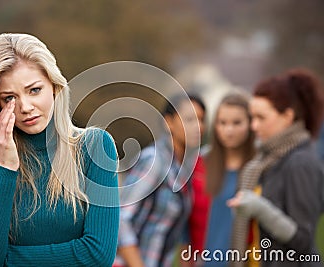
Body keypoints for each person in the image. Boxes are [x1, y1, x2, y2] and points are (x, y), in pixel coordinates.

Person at [0, 33, 119, 266]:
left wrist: (6, 262)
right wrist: (6, 167)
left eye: (34, 90)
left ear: (53, 85)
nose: (25, 107)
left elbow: (97, 255)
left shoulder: (94, 147)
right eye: (9, 98)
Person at [228, 68, 324, 267]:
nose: (253, 126)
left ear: (287, 117)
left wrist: (260, 209)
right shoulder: (264, 161)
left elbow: (303, 241)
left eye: (261, 118)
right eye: (252, 117)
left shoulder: (301, 162)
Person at [115, 93, 206, 267]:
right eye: (189, 120)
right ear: (168, 122)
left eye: (201, 120)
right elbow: (121, 218)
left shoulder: (184, 168)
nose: (198, 127)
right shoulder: (154, 161)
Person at [201, 93, 255, 266]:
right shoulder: (202, 164)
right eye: (222, 123)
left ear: (250, 124)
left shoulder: (259, 168)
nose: (228, 130)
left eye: (236, 123)